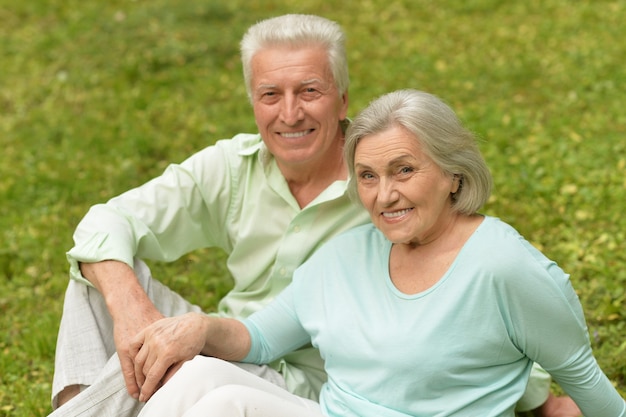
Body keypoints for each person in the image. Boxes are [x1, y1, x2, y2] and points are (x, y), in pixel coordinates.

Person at [49, 15, 580, 417]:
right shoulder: (230, 167)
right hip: (233, 342)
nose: (290, 113)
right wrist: (135, 312)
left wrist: (537, 399)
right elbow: (103, 224)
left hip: (314, 391)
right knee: (101, 277)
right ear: (253, 103)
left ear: (343, 97)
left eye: (309, 91)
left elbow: (473, 302)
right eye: (270, 95)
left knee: (185, 370)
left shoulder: (386, 188)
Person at [133, 89, 626, 417]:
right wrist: (201, 329)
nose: (383, 195)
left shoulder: (504, 266)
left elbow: (580, 374)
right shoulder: (346, 254)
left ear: (454, 173)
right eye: (368, 176)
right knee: (203, 379)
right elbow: (261, 337)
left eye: (404, 170)